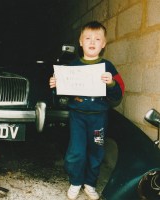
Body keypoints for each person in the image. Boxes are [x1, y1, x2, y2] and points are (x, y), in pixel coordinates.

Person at [49, 21, 125, 200]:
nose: (92, 42)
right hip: (77, 118)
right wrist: (55, 86)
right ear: (80, 42)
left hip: (99, 119)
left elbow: (119, 92)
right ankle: (75, 182)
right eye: (88, 38)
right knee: (76, 151)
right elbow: (62, 95)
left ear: (104, 44)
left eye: (98, 39)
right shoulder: (72, 67)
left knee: (96, 151)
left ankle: (90, 184)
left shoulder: (108, 67)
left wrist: (111, 83)